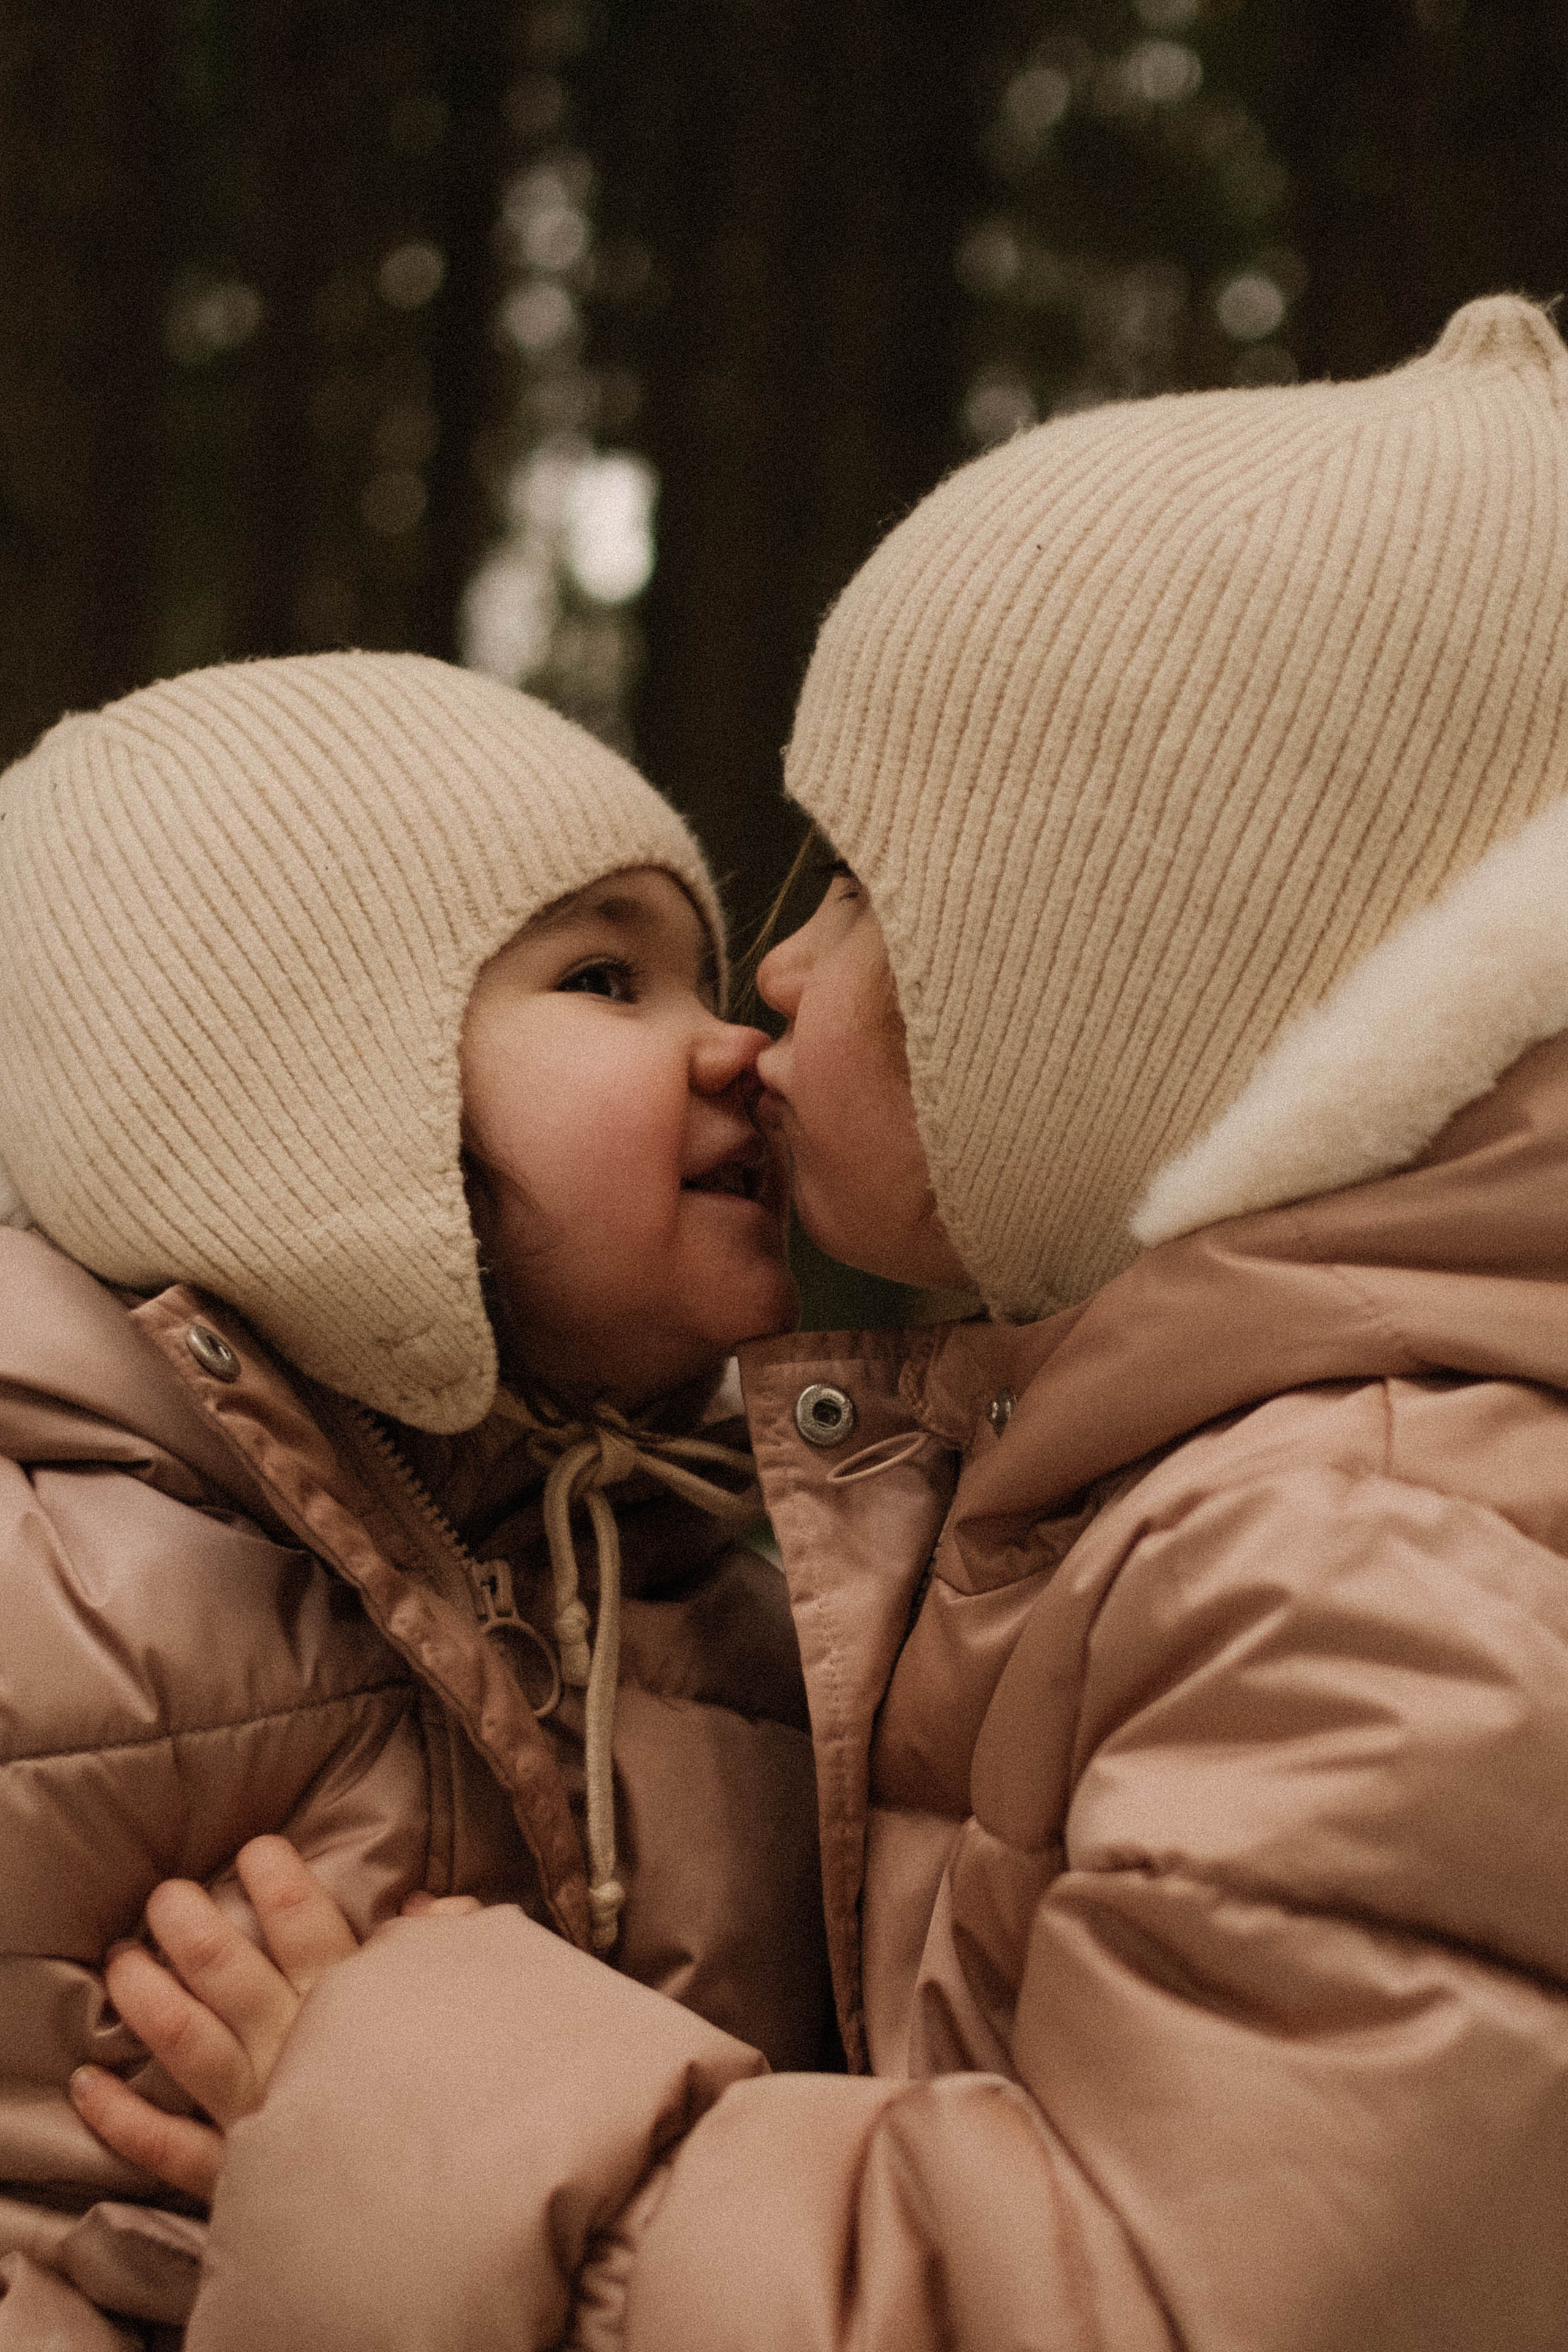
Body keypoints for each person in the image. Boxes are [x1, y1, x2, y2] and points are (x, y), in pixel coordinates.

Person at [75, 295, 1568, 2350]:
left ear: (1122, 968)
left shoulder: (1352, 1557)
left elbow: (1155, 2300)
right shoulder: (1207, 1506)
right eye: (613, 981)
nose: (773, 976)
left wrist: (396, 2101)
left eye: (864, 887)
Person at [0, 652, 827, 2348]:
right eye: (609, 978)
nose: (738, 1046)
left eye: (706, 977)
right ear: (298, 1079)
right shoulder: (44, 1568)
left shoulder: (754, 1615)